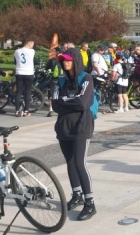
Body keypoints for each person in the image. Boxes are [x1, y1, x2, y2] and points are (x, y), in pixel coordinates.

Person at [52, 48, 96, 221]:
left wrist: (66, 101)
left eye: (68, 60)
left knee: (79, 163)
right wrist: (71, 101)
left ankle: (90, 202)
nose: (65, 62)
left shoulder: (86, 78)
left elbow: (83, 102)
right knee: (70, 162)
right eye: (63, 60)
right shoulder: (60, 81)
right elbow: (55, 104)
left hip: (81, 126)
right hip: (64, 126)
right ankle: (76, 194)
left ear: (76, 60)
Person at [14, 40, 35, 117]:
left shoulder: (17, 51)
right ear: (29, 44)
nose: (33, 46)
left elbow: (15, 61)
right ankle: (26, 110)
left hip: (19, 72)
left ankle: (17, 110)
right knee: (27, 91)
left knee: (19, 92)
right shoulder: (32, 51)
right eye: (32, 44)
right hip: (29, 73)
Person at [45, 46, 64, 117]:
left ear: (58, 52)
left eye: (55, 51)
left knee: (51, 94)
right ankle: (61, 109)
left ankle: (51, 110)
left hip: (54, 79)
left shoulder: (53, 60)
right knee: (61, 93)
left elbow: (47, 67)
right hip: (63, 78)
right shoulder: (65, 59)